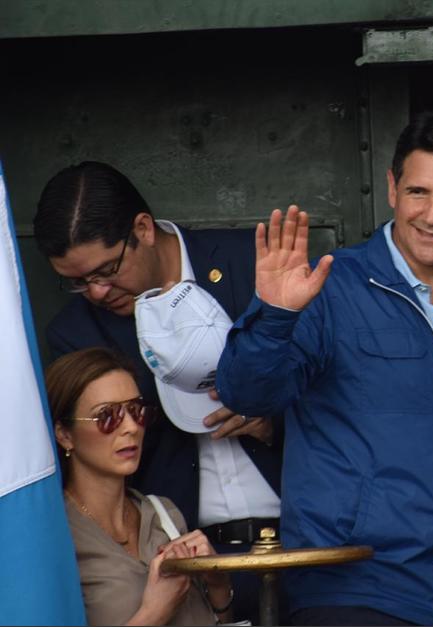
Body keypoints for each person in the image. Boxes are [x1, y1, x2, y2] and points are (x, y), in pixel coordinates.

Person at [215, 106, 433, 626]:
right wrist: (274, 316)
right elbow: (247, 394)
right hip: (352, 592)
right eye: (418, 192)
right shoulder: (330, 286)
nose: (430, 215)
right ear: (391, 188)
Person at [32, 161, 282, 622]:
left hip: (301, 540)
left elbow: (340, 392)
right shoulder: (76, 331)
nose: (98, 292)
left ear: (143, 229)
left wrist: (273, 420)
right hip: (181, 560)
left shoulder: (254, 263)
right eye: (78, 282)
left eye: (106, 269)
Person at [47, 347, 232, 626]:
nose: (131, 427)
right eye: (108, 416)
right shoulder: (55, 536)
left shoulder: (165, 515)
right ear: (64, 435)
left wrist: (218, 582)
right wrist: (155, 613)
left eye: (137, 411)